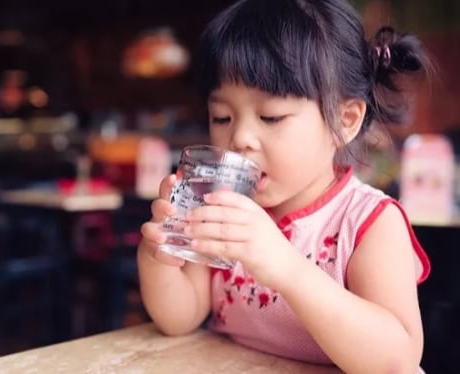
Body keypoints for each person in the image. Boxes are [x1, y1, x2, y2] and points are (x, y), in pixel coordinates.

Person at [137, 0, 432, 373]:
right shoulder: (224, 209)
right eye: (222, 116)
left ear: (345, 121)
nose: (240, 137)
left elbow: (398, 358)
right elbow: (179, 318)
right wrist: (159, 259)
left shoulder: (369, 222)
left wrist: (286, 268)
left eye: (271, 116)